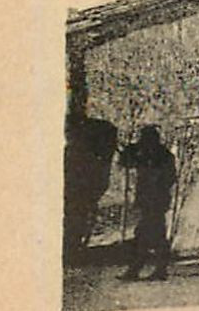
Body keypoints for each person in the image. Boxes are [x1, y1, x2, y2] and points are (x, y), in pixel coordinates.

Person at [63, 84, 119, 261]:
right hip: (84, 182)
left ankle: (74, 246)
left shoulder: (97, 130)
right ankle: (74, 244)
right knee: (78, 212)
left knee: (78, 212)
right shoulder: (99, 129)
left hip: (83, 182)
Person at [118, 125, 177, 281]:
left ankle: (139, 269)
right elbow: (126, 162)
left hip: (155, 201)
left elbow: (170, 178)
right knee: (154, 235)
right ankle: (155, 270)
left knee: (145, 234)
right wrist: (129, 149)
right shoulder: (152, 154)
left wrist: (155, 186)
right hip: (151, 201)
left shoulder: (161, 156)